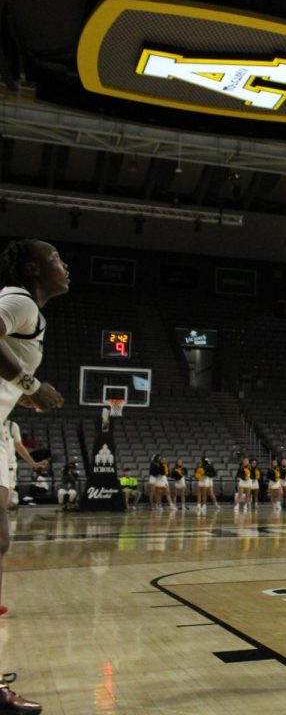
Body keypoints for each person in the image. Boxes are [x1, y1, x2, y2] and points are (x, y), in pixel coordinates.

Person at [0, 238, 70, 712]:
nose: (64, 266)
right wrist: (30, 383)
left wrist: (17, 390)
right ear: (32, 267)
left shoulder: (30, 313)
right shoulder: (19, 299)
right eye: (55, 260)